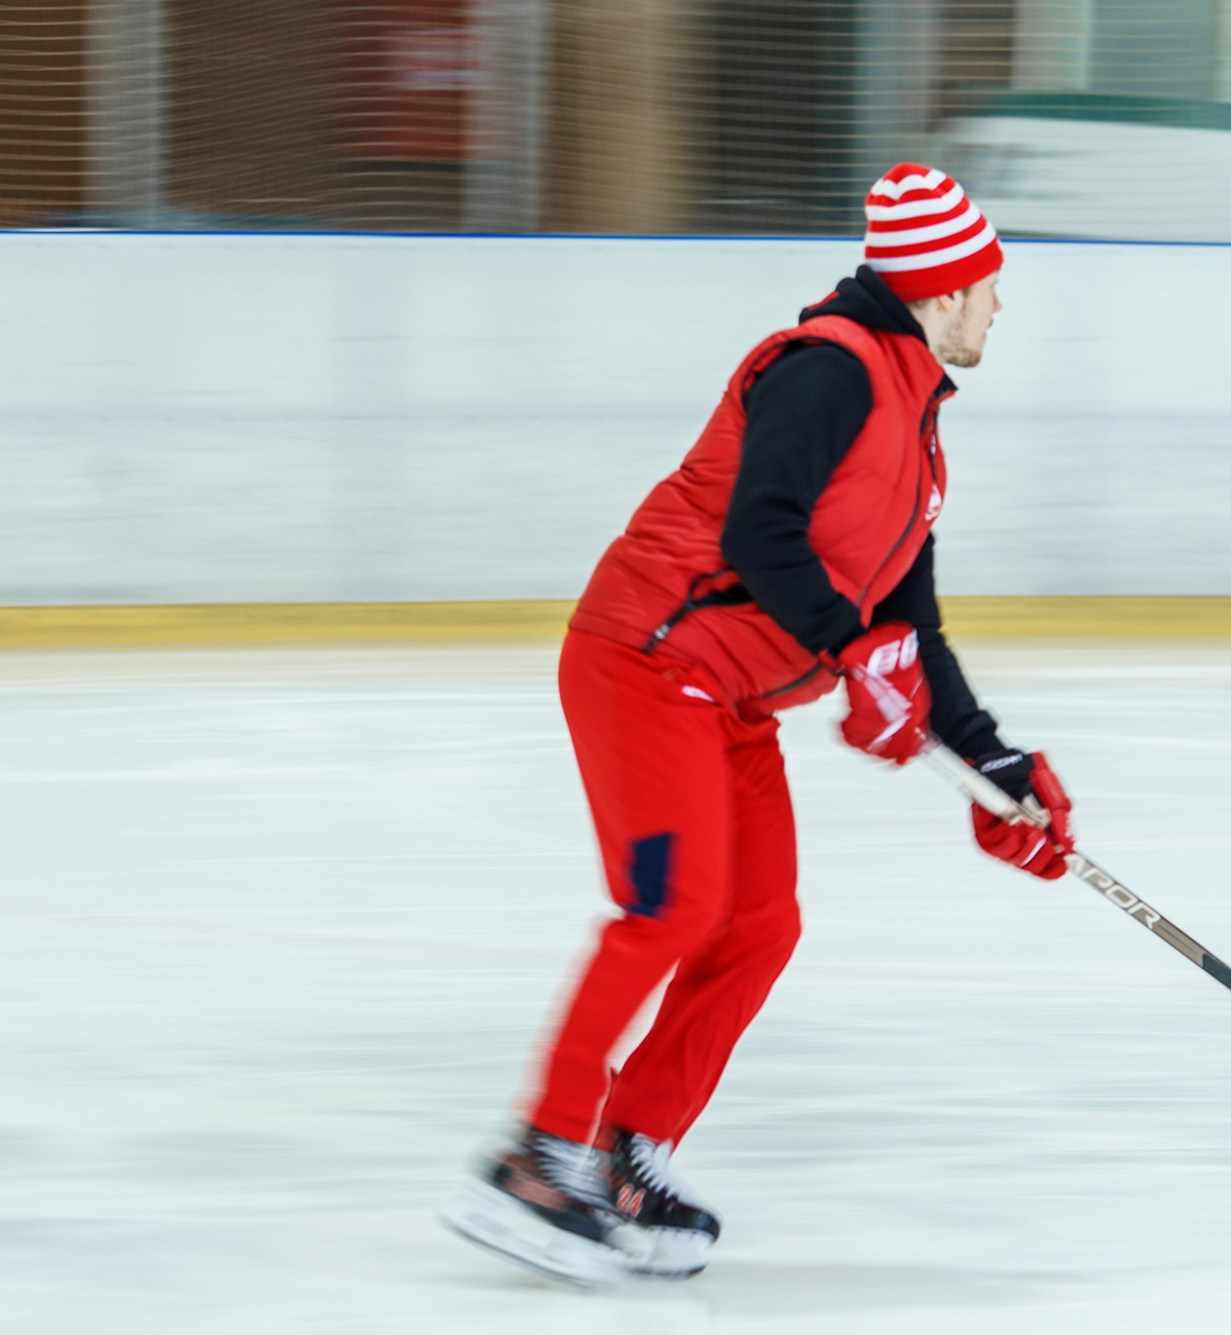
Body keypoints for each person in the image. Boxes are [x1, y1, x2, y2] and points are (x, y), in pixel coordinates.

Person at [442, 163, 1077, 1283]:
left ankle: (624, 1148)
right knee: (672, 909)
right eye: (987, 282)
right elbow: (759, 532)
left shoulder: (914, 409)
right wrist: (849, 648)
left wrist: (990, 757)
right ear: (937, 288)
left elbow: (907, 614)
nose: (996, 306)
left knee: (758, 925)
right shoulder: (827, 373)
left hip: (730, 698)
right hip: (647, 664)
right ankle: (539, 1158)